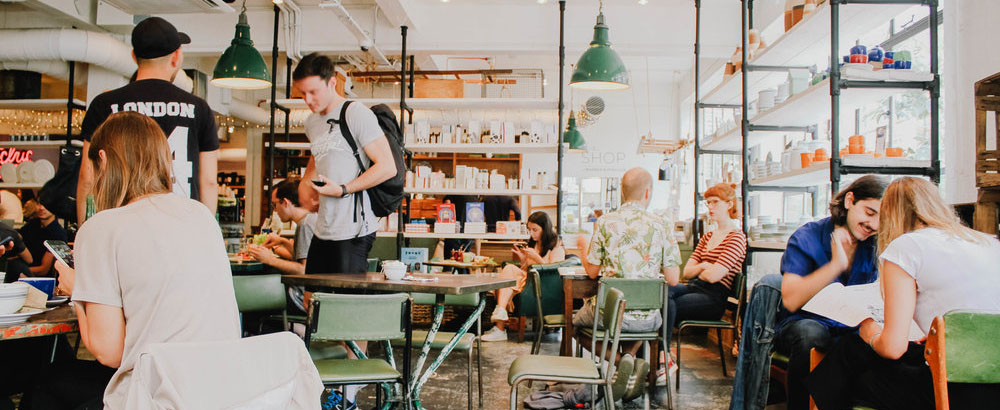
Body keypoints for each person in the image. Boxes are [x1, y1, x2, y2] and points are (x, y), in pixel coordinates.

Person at [21, 112, 240, 410]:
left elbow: (109, 352)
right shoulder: (200, 214)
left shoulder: (101, 228)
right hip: (219, 390)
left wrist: (77, 290)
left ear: (103, 160)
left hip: (156, 396)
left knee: (46, 382)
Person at [807, 177, 1000, 410]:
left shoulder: (906, 247)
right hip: (992, 388)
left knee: (851, 355)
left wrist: (870, 333)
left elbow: (892, 348)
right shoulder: (989, 242)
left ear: (890, 215)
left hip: (949, 392)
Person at [77, 16, 219, 224]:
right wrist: (206, 234)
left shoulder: (105, 105)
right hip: (181, 225)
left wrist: (85, 231)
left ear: (134, 56)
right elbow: (208, 181)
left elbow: (88, 176)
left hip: (123, 225)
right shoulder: (199, 109)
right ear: (176, 57)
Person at [775, 174, 888, 410]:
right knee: (811, 334)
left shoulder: (876, 244)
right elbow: (791, 299)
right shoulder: (808, 236)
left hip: (852, 329)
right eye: (869, 212)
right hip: (803, 325)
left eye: (882, 219)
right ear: (849, 200)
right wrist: (835, 265)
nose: (874, 225)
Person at [573, 167, 682, 400]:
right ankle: (629, 363)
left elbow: (592, 272)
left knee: (574, 324)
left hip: (610, 315)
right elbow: (673, 279)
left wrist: (582, 248)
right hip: (649, 318)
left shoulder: (605, 222)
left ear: (622, 193)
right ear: (647, 193)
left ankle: (621, 363)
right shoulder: (662, 224)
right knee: (637, 317)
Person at [291, 52, 395, 275]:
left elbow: (387, 166)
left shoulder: (356, 114)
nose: (308, 100)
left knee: (345, 305)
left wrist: (343, 189)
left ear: (331, 83)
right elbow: (320, 155)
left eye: (313, 92)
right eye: (302, 93)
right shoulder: (311, 123)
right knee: (313, 299)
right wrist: (306, 183)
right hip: (322, 229)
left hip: (354, 231)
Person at [667, 183, 746, 370]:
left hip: (713, 298)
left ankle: (662, 354)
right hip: (694, 287)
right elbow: (687, 271)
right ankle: (662, 354)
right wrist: (704, 265)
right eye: (708, 203)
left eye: (715, 202)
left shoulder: (736, 237)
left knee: (667, 304)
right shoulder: (708, 236)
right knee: (662, 291)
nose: (710, 207)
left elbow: (714, 277)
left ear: (729, 204)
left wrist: (703, 269)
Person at [481, 211, 565, 342]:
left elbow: (554, 271)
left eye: (535, 230)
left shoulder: (556, 246)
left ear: (545, 228)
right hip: (528, 279)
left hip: (543, 284)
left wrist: (535, 257)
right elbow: (526, 268)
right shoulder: (534, 243)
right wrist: (522, 257)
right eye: (529, 229)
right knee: (506, 274)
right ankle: (500, 317)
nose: (531, 233)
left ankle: (500, 327)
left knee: (507, 278)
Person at [19, 198, 68, 277]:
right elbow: (17, 239)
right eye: (39, 204)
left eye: (46, 205)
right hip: (23, 270)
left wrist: (17, 271)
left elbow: (43, 270)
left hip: (41, 280)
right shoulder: (32, 224)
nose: (41, 208)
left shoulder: (58, 234)